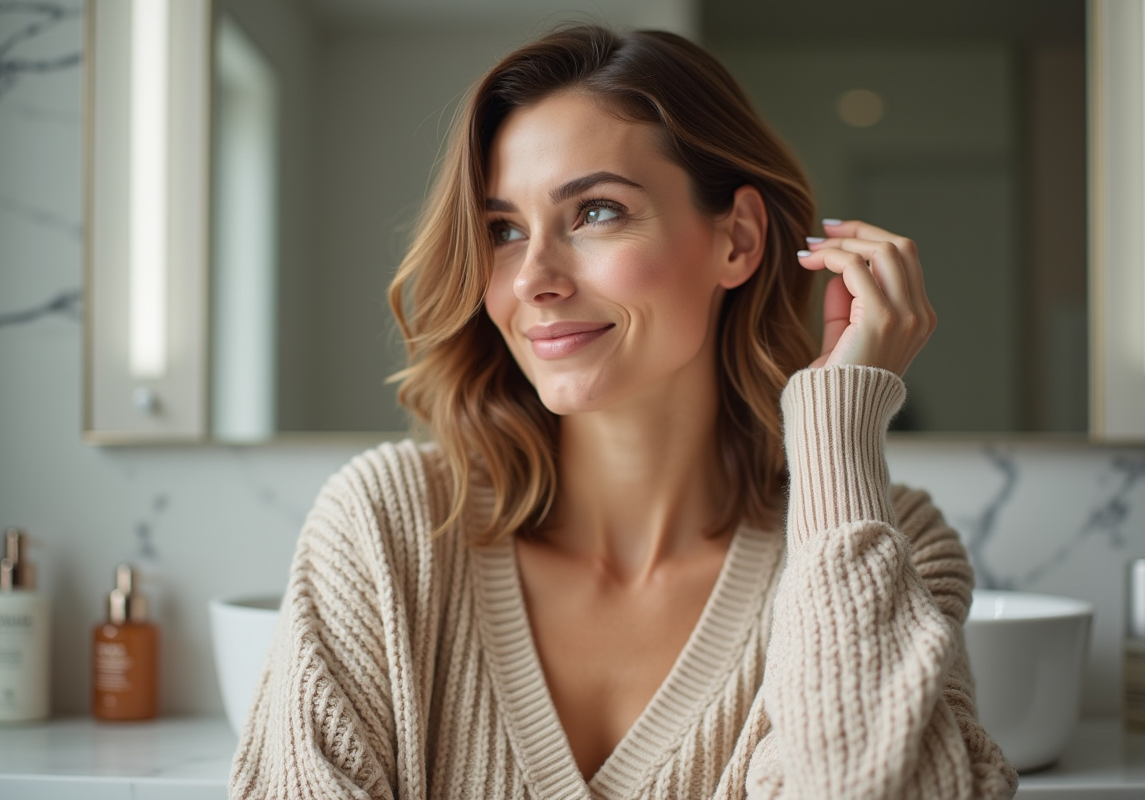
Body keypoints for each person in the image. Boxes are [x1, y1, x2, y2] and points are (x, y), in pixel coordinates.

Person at [231, 24, 1017, 800]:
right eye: (502, 230)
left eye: (596, 212)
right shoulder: (385, 530)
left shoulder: (894, 546)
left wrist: (838, 432)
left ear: (737, 239)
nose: (533, 279)